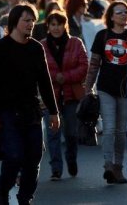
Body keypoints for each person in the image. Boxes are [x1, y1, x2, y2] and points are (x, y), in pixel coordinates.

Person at [0, 4, 60, 205]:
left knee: (34, 156)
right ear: (14, 22)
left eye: (33, 20)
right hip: (6, 112)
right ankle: (3, 188)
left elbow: (45, 81)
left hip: (32, 111)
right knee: (14, 155)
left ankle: (25, 198)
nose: (31, 24)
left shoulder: (36, 48)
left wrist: (53, 112)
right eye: (26, 20)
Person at [84, 1, 127, 184]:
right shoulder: (102, 35)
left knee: (122, 130)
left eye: (126, 12)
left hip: (126, 89)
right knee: (108, 128)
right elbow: (94, 64)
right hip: (106, 88)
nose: (124, 15)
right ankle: (108, 164)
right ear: (111, 16)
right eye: (119, 12)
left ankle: (119, 167)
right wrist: (88, 88)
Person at [40, 11, 88, 180]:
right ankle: (56, 168)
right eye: (52, 24)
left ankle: (71, 159)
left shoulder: (76, 43)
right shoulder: (42, 45)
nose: (56, 28)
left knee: (71, 132)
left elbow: (84, 66)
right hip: (50, 95)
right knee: (53, 134)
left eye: (59, 24)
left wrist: (66, 76)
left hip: (71, 95)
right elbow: (39, 69)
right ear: (48, 27)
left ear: (65, 25)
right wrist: (55, 77)